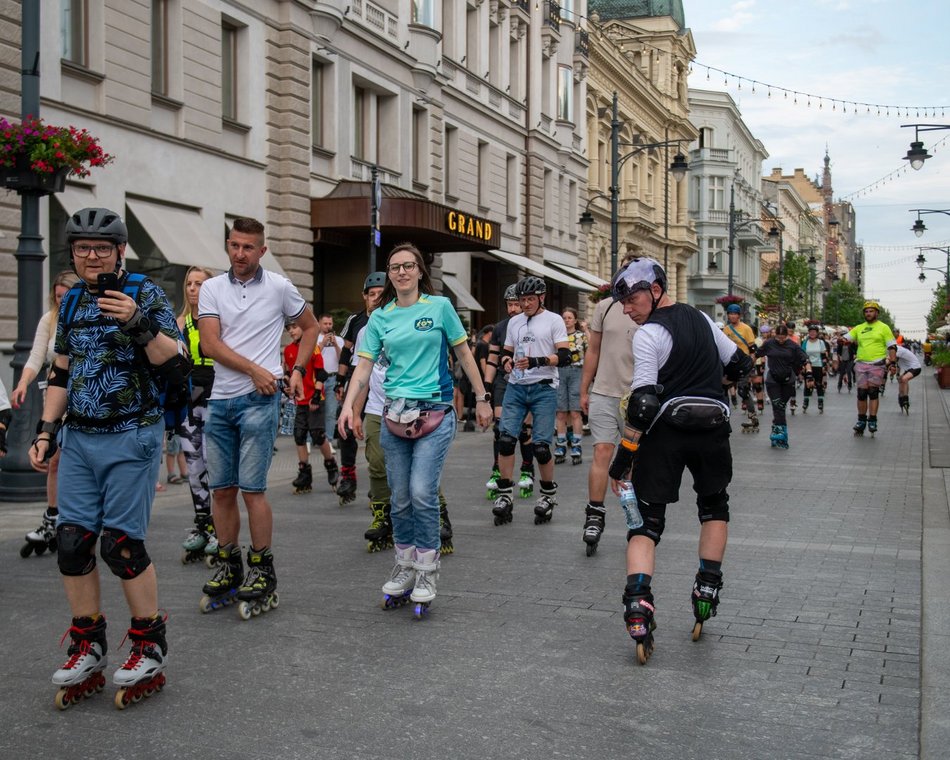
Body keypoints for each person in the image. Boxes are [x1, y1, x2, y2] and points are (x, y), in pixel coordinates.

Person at [29, 207, 184, 708]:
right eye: (81, 249)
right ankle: (87, 644)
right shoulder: (71, 300)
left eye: (101, 248)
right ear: (72, 254)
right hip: (80, 439)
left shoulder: (145, 293)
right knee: (72, 543)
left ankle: (148, 644)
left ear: (120, 251)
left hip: (132, 435)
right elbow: (60, 371)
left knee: (121, 545)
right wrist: (47, 430)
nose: (91, 256)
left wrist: (137, 323)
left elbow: (173, 358)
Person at [606, 258, 752, 665]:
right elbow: (740, 363)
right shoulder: (702, 319)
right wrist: (712, 386)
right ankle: (707, 587)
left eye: (631, 298)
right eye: (621, 301)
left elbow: (643, 403)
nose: (625, 308)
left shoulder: (649, 333)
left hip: (666, 433)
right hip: (712, 429)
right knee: (714, 507)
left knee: (646, 522)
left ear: (655, 291)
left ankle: (638, 604)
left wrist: (623, 460)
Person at [338, 243, 491, 617]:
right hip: (393, 417)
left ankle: (427, 570)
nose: (402, 272)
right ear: (389, 274)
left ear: (420, 271)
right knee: (400, 497)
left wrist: (483, 396)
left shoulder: (439, 309)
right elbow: (363, 369)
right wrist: (346, 407)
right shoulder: (380, 318)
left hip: (435, 412)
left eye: (409, 266)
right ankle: (405, 565)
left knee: (422, 492)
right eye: (395, 267)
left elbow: (464, 355)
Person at [197, 217, 318, 618]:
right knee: (222, 490)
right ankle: (229, 564)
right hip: (220, 401)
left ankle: (262, 568)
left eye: (248, 247)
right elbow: (211, 345)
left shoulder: (279, 287)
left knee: (252, 490)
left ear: (262, 250)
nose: (240, 254)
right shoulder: (211, 288)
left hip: (258, 402)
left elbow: (310, 326)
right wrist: (256, 368)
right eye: (234, 245)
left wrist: (298, 370)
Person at [493, 276, 570, 526]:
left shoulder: (554, 320)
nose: (525, 304)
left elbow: (565, 355)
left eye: (530, 299)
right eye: (522, 300)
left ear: (541, 298)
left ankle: (547, 495)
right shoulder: (514, 322)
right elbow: (506, 352)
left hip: (544, 388)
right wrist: (506, 362)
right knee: (505, 440)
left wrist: (538, 361)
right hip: (516, 386)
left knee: (540, 447)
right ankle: (504, 494)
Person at [12, 270, 79, 557]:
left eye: (66, 297)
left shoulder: (87, 316)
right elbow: (37, 355)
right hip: (55, 394)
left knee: (76, 460)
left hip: (84, 395)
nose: (61, 301)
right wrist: (22, 383)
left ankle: (77, 520)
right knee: (54, 459)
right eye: (57, 296)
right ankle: (53, 518)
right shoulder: (49, 319)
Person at [579, 254, 638, 556]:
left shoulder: (651, 310)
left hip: (637, 398)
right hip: (604, 391)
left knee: (630, 463)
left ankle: (633, 517)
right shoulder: (606, 306)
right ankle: (594, 515)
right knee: (602, 450)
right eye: (624, 268)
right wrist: (584, 388)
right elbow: (594, 350)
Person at [176, 266, 218, 564]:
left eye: (199, 283)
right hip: (187, 403)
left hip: (216, 398)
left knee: (214, 464)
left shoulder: (218, 322)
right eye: (189, 283)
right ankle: (203, 524)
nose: (193, 288)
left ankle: (220, 530)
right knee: (193, 466)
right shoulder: (178, 323)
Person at [482, 285, 535, 500]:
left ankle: (527, 469)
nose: (513, 308)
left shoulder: (533, 325)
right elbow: (492, 361)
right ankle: (497, 471)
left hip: (529, 382)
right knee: (500, 430)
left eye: (516, 304)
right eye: (510, 304)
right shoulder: (500, 328)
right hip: (505, 382)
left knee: (524, 430)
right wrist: (485, 388)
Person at [334, 278, 383, 505]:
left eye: (380, 294)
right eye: (372, 294)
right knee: (346, 426)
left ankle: (380, 484)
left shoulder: (392, 318)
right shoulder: (356, 320)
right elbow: (346, 352)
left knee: (380, 433)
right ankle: (348, 475)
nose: (376, 298)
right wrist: (339, 381)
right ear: (364, 296)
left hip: (383, 379)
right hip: (359, 377)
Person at [283, 319, 339, 494]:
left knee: (317, 434)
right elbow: (288, 372)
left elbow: (321, 374)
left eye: (294, 327)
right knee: (299, 435)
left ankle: (331, 464)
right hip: (299, 399)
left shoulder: (312, 348)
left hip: (315, 399)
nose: (291, 331)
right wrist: (286, 385)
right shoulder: (288, 350)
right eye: (289, 329)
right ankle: (304, 473)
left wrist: (316, 396)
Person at [756, 325, 812, 449]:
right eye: (778, 338)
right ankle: (781, 434)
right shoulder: (769, 343)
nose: (780, 340)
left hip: (788, 380)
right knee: (778, 405)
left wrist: (809, 375)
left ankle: (776, 429)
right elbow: (756, 354)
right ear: (775, 335)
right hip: (772, 380)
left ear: (787, 335)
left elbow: (805, 360)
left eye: (783, 338)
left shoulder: (792, 345)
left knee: (781, 406)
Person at [848, 300, 894, 436]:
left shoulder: (884, 327)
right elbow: (846, 338)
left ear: (877, 313)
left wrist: (893, 363)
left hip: (877, 364)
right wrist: (841, 339)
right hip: (861, 364)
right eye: (866, 311)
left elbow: (892, 346)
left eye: (871, 311)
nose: (868, 313)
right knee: (861, 393)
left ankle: (872, 419)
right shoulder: (859, 327)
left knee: (873, 392)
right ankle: (861, 420)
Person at [555, 306, 587, 466]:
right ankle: (560, 445)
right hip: (559, 372)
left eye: (569, 317)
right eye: (564, 317)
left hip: (577, 372)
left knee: (575, 412)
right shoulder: (557, 336)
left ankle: (576, 445)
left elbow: (591, 354)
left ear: (575, 320)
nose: (566, 320)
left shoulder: (581, 336)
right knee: (560, 412)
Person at [721, 303, 759, 432]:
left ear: (739, 316)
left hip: (744, 363)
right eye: (730, 314)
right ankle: (724, 416)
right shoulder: (726, 329)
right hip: (730, 364)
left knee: (742, 390)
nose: (732, 316)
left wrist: (751, 364)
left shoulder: (746, 328)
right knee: (722, 388)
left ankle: (752, 416)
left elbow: (753, 349)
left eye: (735, 314)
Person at [315, 313, 344, 446]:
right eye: (325, 323)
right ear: (319, 324)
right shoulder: (315, 338)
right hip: (318, 379)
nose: (328, 326)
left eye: (330, 324)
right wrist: (322, 344)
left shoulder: (339, 340)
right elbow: (311, 358)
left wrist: (336, 345)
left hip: (333, 378)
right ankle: (313, 440)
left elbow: (342, 360)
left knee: (331, 412)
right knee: (316, 410)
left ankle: (329, 440)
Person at [800, 325, 832, 414]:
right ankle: (806, 402)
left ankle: (820, 402)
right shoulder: (805, 342)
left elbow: (823, 355)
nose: (812, 333)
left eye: (814, 332)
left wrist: (824, 366)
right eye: (811, 332)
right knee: (807, 385)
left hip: (818, 365)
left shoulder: (821, 342)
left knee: (819, 384)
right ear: (809, 333)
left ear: (817, 333)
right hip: (807, 365)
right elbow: (802, 354)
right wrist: (802, 366)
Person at [886, 340, 921, 414]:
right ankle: (901, 396)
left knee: (904, 379)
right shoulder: (893, 349)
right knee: (900, 379)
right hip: (909, 369)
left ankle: (905, 398)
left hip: (916, 367)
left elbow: (889, 360)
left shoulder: (898, 350)